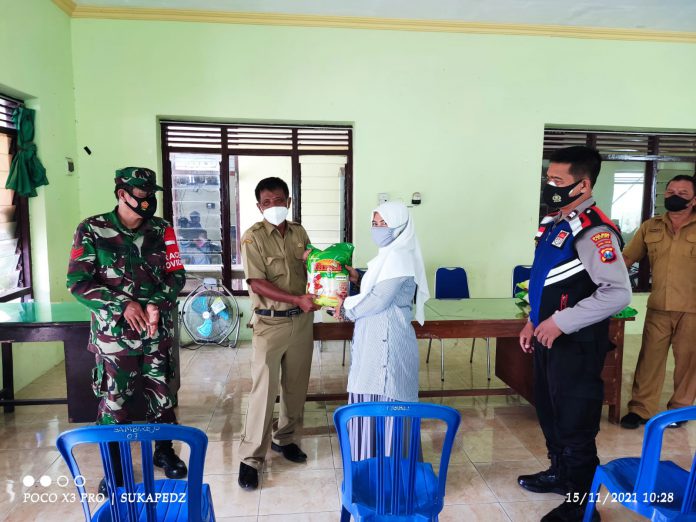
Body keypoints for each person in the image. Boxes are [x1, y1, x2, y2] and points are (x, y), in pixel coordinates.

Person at [518, 146, 631, 522]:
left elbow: (617, 292)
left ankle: (582, 506)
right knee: (550, 413)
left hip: (577, 345)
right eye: (548, 179)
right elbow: (544, 281)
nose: (549, 187)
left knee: (575, 422)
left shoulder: (594, 230)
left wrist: (561, 322)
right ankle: (559, 473)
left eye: (558, 181)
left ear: (583, 184)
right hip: (547, 337)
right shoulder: (556, 223)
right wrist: (534, 320)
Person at [67, 167, 188, 493]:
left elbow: (177, 276)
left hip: (155, 333)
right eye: (140, 195)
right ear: (122, 194)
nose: (147, 202)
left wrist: (154, 302)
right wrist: (123, 304)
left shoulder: (163, 230)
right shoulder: (92, 229)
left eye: (151, 195)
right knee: (114, 403)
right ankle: (115, 468)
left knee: (162, 399)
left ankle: (164, 453)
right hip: (113, 341)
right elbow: (77, 283)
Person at [237, 177, 319, 490]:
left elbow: (313, 266)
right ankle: (251, 459)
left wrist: (329, 281)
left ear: (289, 201)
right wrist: (296, 298)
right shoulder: (253, 237)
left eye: (279, 200)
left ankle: (285, 440)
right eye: (267, 202)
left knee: (296, 387)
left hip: (301, 323)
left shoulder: (299, 232)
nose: (274, 206)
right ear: (259, 206)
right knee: (264, 392)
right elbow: (256, 282)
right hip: (269, 324)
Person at [335, 201, 429, 460]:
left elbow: (379, 298)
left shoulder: (399, 256)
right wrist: (358, 278)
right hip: (374, 339)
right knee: (371, 397)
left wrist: (345, 310)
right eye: (374, 223)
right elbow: (375, 286)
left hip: (389, 342)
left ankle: (391, 474)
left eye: (383, 223)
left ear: (399, 226)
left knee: (387, 401)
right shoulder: (388, 256)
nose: (377, 229)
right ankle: (371, 471)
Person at [619, 174, 696, 430]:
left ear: (694, 199)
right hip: (659, 306)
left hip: (693, 309)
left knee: (688, 363)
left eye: (683, 193)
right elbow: (626, 259)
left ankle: (679, 410)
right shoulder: (650, 226)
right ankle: (640, 409)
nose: (675, 196)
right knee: (649, 360)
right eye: (671, 191)